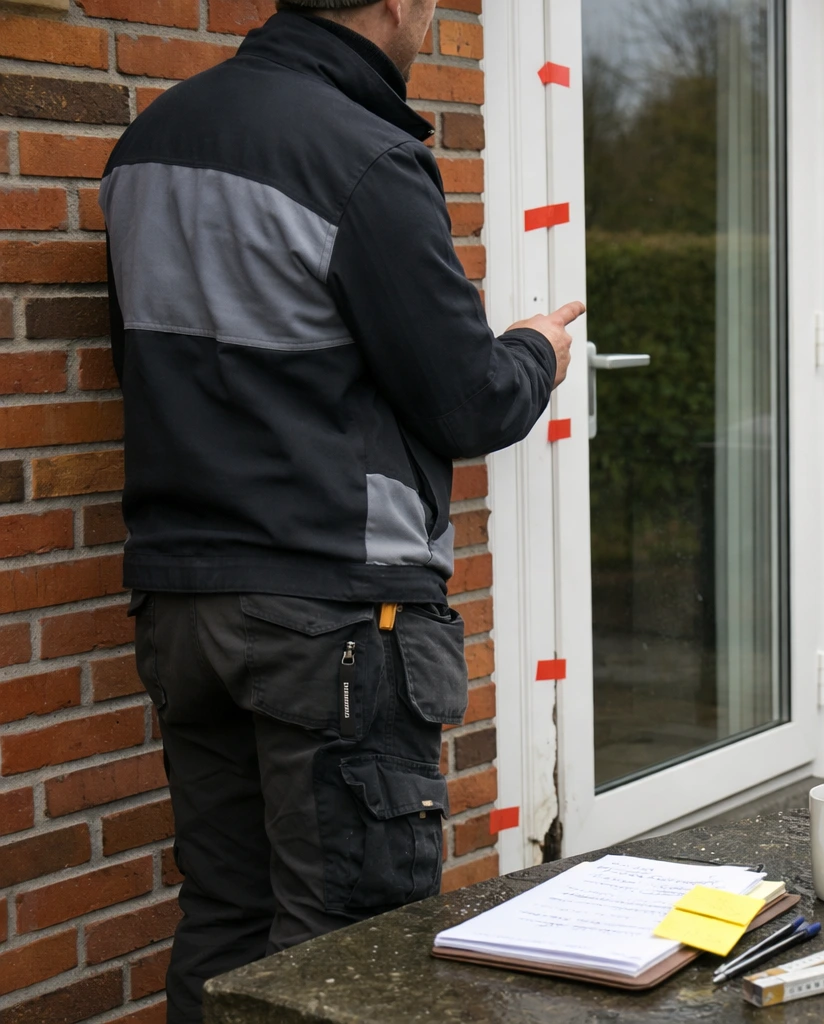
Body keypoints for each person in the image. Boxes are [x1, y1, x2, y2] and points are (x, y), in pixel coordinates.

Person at [100, 1, 580, 1019]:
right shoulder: (361, 157)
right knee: (352, 955)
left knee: (225, 928)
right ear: (397, 5)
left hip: (183, 609)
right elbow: (467, 399)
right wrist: (539, 349)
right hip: (333, 628)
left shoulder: (149, 143)